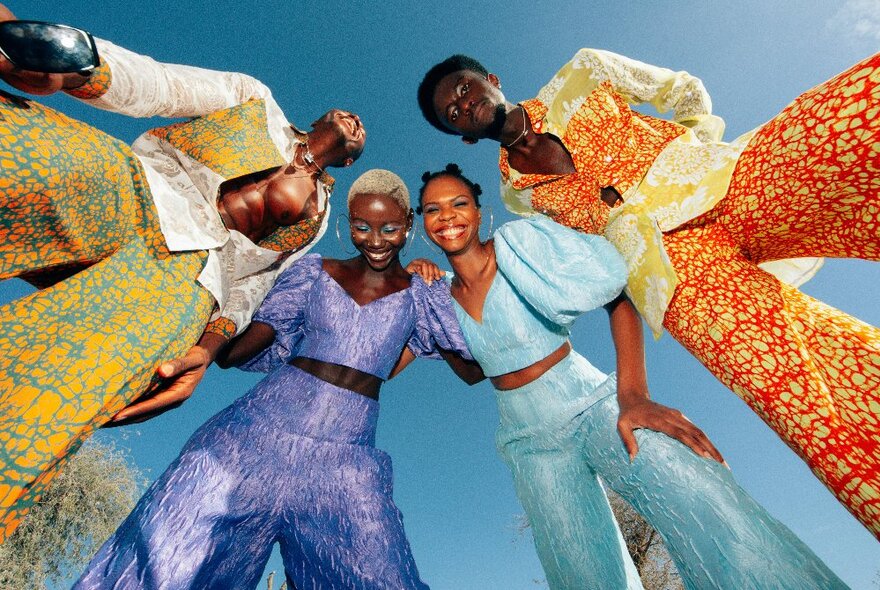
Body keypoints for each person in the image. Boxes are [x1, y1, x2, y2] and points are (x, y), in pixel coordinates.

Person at [417, 50, 880, 537]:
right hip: (678, 276)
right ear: (463, 136)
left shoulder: (583, 72)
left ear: (491, 79)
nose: (463, 106)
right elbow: (599, 273)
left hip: (728, 180)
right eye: (453, 113)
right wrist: (632, 394)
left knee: (852, 118)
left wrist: (695, 149)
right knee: (803, 402)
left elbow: (683, 90)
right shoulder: (519, 199)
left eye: (464, 89)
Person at [0, 5, 365, 541]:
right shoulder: (253, 98)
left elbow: (250, 286)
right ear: (320, 118)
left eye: (361, 133)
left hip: (188, 283)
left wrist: (208, 349)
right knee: (27, 154)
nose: (356, 123)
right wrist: (79, 62)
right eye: (350, 114)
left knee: (53, 394)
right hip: (137, 187)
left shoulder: (316, 217)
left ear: (349, 161)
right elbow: (160, 84)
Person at [417, 164, 848, 590]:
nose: (448, 216)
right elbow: (473, 372)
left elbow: (614, 291)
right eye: (433, 210)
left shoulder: (518, 244)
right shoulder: (441, 297)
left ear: (478, 210)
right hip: (527, 441)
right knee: (580, 570)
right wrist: (419, 297)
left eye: (459, 203)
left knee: (695, 492)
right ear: (423, 225)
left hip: (589, 401)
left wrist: (634, 394)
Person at [74, 169, 478, 590]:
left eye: (390, 229)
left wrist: (452, 271)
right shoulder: (312, 272)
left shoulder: (424, 293)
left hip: (346, 465)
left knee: (381, 577)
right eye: (362, 227)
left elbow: (472, 369)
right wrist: (211, 328)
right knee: (165, 559)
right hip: (250, 438)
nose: (375, 240)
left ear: (410, 225)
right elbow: (241, 349)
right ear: (347, 224)